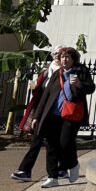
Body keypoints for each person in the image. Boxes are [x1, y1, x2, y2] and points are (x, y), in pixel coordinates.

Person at [27, 47, 95, 188]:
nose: (65, 59)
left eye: (68, 57)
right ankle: (52, 177)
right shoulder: (57, 73)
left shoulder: (81, 71)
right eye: (63, 57)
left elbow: (91, 88)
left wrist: (79, 84)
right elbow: (45, 96)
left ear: (73, 59)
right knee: (51, 145)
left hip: (71, 115)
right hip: (53, 115)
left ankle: (73, 165)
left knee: (65, 142)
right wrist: (37, 116)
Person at [10, 45, 65, 182]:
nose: (57, 55)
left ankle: (61, 169)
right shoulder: (47, 69)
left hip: (56, 112)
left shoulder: (66, 71)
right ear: (52, 55)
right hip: (42, 110)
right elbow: (41, 91)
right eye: (55, 53)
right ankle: (25, 170)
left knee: (56, 143)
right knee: (36, 141)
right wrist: (34, 87)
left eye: (60, 53)